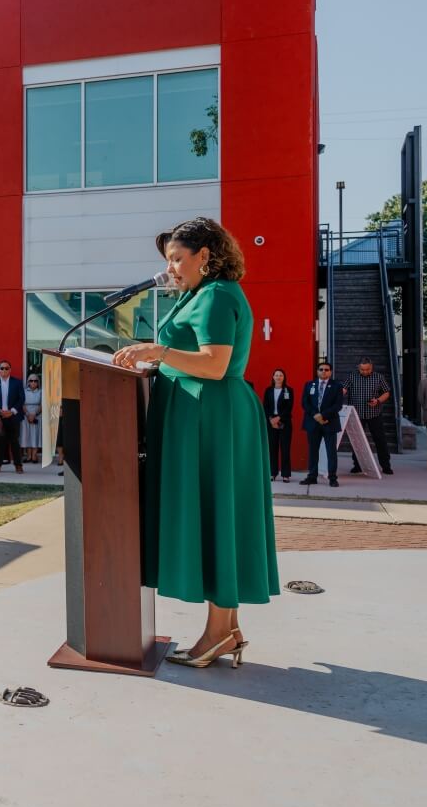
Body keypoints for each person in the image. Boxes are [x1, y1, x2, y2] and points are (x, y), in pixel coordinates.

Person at [113, 216, 279, 668]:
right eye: (168, 260)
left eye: (177, 258)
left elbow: (214, 365)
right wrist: (154, 364)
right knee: (215, 518)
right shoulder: (199, 294)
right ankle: (227, 631)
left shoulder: (217, 295)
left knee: (217, 517)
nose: (171, 268)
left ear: (205, 255)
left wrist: (158, 352)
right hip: (201, 417)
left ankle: (217, 634)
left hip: (213, 418)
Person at [344, 357, 394, 476]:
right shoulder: (352, 376)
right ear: (358, 367)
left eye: (367, 369)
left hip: (374, 414)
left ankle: (386, 466)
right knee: (356, 440)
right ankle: (357, 466)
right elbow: (343, 389)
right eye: (362, 369)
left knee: (380, 440)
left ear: (371, 367)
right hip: (356, 414)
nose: (365, 371)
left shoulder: (378, 377)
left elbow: (387, 392)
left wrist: (378, 400)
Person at [300, 361, 344, 487]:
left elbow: (338, 405)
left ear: (330, 372)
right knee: (313, 451)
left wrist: (323, 415)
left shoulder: (336, 386)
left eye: (326, 369)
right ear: (317, 371)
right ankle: (312, 476)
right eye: (321, 369)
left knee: (331, 452)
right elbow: (305, 403)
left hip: (329, 423)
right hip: (313, 423)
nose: (323, 371)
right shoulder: (309, 385)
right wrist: (316, 415)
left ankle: (332, 478)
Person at [0, 361, 26, 474]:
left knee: (14, 441)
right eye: (2, 368)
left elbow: (21, 399)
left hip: (13, 416)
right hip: (0, 417)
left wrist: (12, 411)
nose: (4, 370)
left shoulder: (17, 382)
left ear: (10, 369)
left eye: (6, 368)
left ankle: (18, 465)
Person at [262, 369, 294, 483]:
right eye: (276, 375)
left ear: (284, 378)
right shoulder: (268, 390)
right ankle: (273, 473)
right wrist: (271, 419)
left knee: (285, 449)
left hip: (284, 422)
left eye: (281, 375)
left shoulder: (288, 390)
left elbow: (289, 407)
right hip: (271, 422)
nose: (279, 377)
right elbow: (265, 406)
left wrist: (278, 418)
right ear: (273, 377)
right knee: (272, 448)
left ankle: (286, 474)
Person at [22, 370, 43, 465]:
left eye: (35, 380)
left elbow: (42, 405)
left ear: (38, 382)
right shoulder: (24, 391)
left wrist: (34, 414)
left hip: (37, 415)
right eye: (31, 380)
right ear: (28, 382)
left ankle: (34, 455)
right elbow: (21, 404)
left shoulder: (41, 392)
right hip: (26, 415)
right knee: (27, 435)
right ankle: (28, 455)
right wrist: (27, 414)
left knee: (35, 435)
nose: (33, 382)